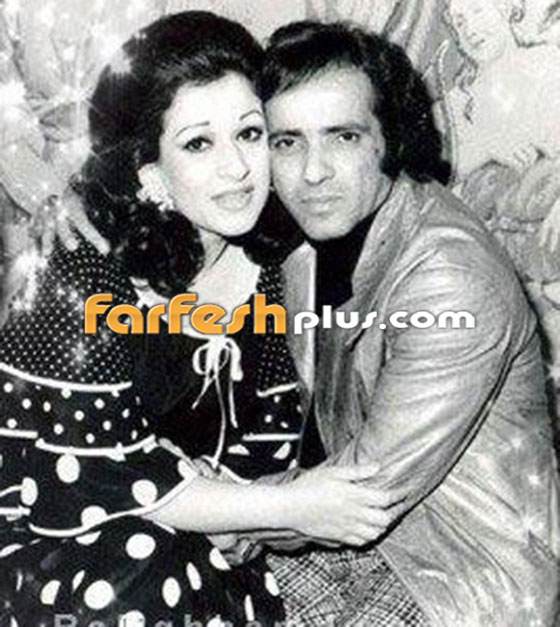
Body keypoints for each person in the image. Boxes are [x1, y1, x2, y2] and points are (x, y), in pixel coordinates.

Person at [0, 13, 394, 625]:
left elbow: (270, 436)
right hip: (44, 537)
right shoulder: (84, 270)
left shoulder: (278, 270)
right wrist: (294, 506)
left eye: (250, 133)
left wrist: (245, 510)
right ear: (151, 171)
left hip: (191, 538)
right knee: (140, 567)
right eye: (198, 143)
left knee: (170, 561)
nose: (237, 168)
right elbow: (95, 472)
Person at [256, 21, 559, 626]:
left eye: (343, 137)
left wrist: (229, 512)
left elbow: (366, 488)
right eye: (287, 142)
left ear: (386, 140)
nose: (312, 172)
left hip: (463, 572)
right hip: (350, 547)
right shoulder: (307, 242)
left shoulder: (451, 275)